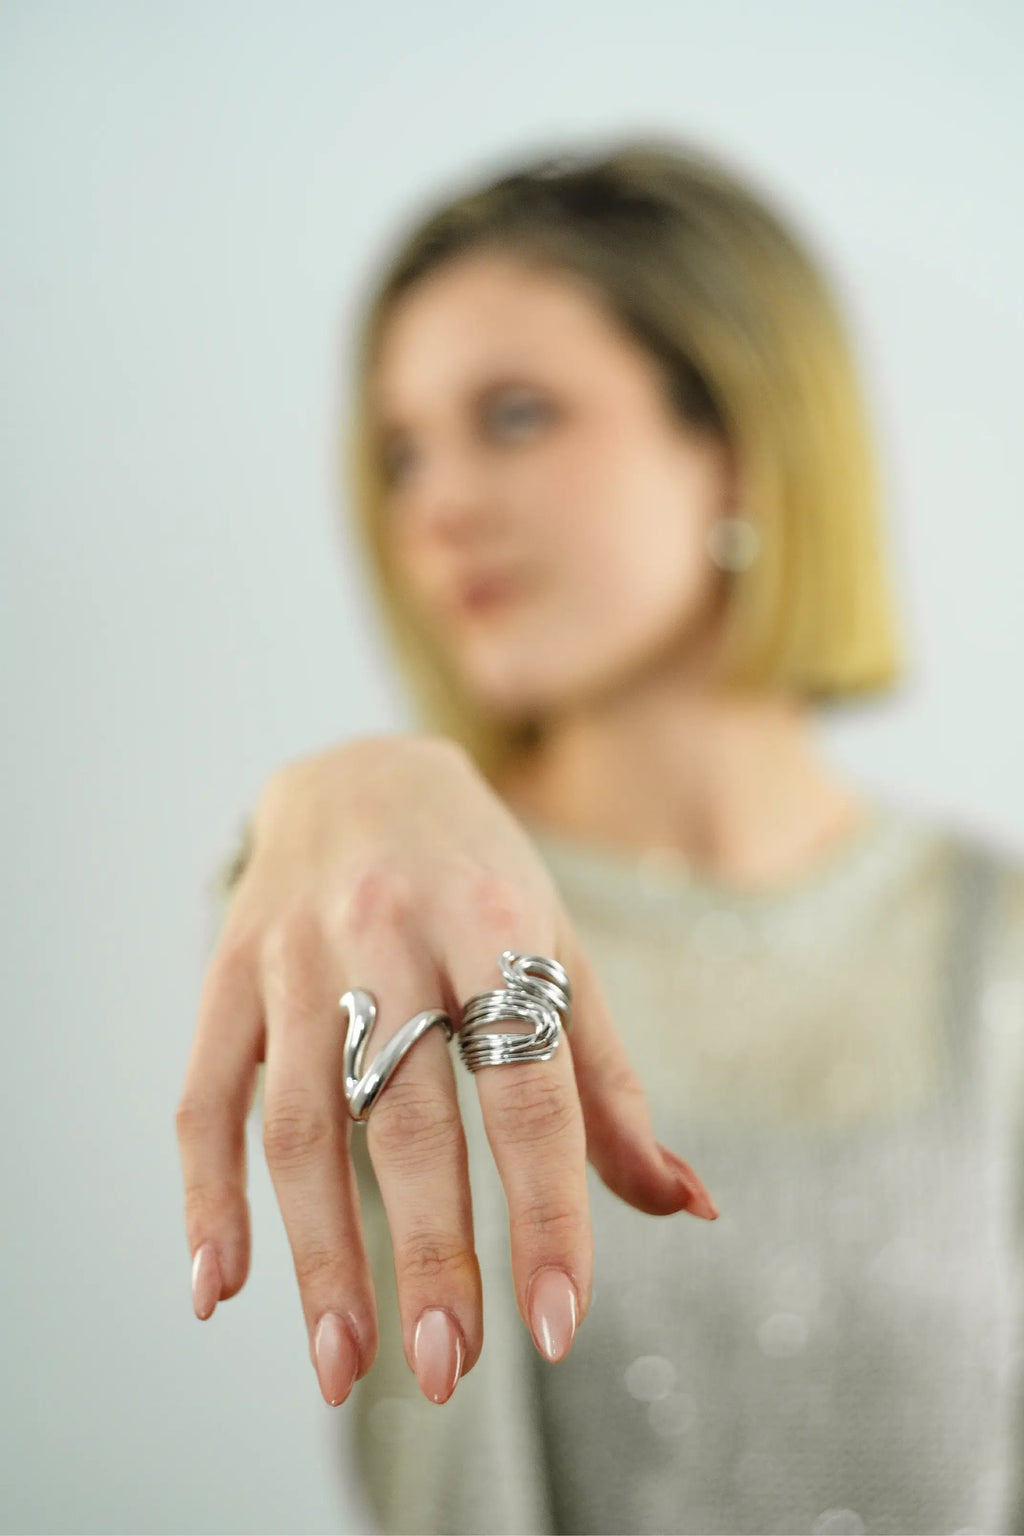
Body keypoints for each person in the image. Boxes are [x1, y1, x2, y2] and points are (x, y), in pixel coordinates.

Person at [180, 138, 1024, 1535]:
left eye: (514, 415)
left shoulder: (996, 945)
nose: (432, 507)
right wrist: (332, 792)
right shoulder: (389, 905)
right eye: (400, 452)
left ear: (740, 444)